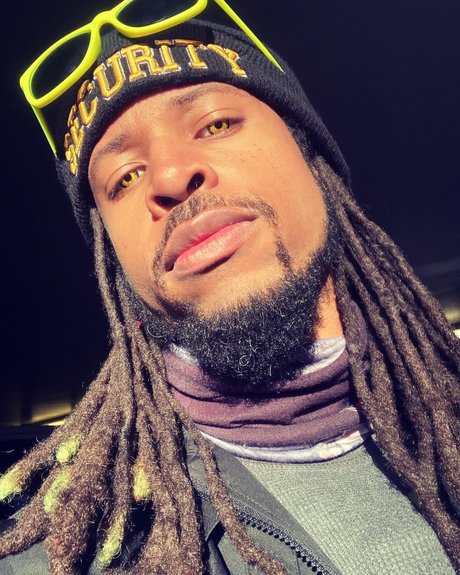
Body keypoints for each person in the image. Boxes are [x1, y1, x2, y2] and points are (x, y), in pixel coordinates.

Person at [1, 1, 459, 574]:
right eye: (125, 177)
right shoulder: (63, 558)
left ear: (310, 153)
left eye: (215, 124)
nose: (170, 177)